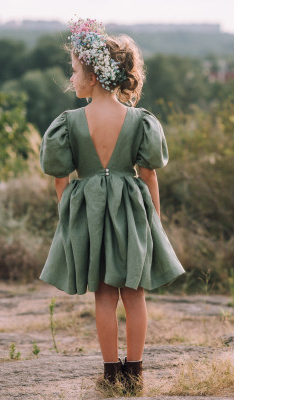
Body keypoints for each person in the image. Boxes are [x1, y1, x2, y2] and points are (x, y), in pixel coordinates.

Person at [39, 16, 186, 393]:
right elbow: (149, 174)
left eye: (73, 71)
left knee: (103, 294)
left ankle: (110, 372)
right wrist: (155, 219)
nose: (71, 78)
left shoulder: (69, 122)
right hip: (132, 212)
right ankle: (134, 373)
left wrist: (66, 215)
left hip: (89, 214)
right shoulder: (140, 120)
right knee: (134, 294)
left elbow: (60, 177)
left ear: (92, 75)